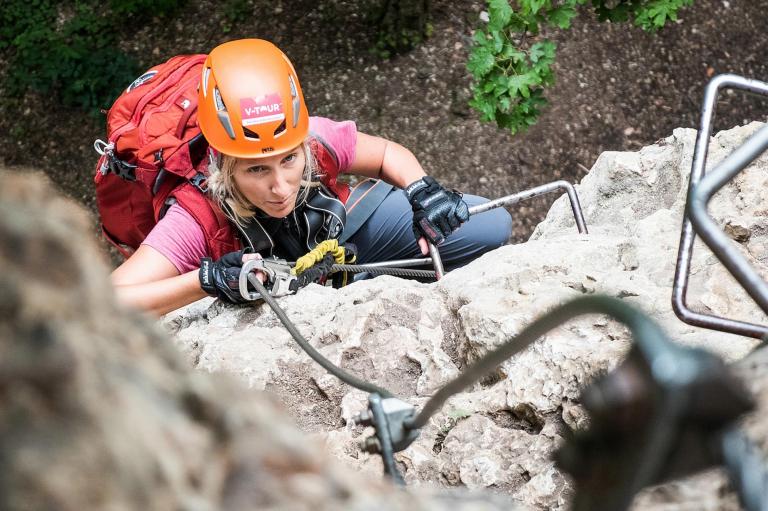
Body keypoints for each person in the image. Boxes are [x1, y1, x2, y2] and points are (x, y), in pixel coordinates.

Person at [111, 39, 512, 315]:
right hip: (263, 284)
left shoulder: (312, 136)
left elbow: (387, 154)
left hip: (336, 239)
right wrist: (206, 280)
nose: (281, 187)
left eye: (289, 161)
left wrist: (423, 189)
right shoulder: (196, 214)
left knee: (487, 225)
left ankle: (358, 282)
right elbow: (107, 300)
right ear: (223, 163)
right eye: (256, 169)